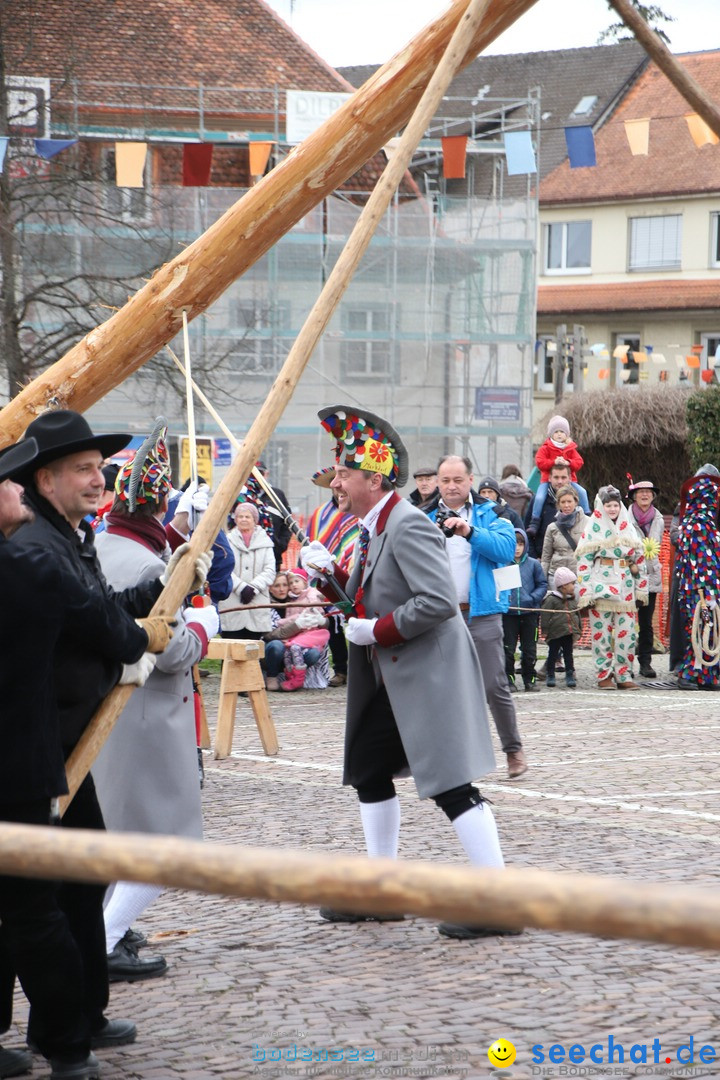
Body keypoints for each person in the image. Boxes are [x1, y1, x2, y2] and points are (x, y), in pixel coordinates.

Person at [11, 408, 206, 1060]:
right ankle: (63, 1033)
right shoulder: (38, 547)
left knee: (85, 874)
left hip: (64, 745)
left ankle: (81, 1016)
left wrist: (165, 584)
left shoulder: (68, 535)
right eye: (85, 470)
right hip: (43, 746)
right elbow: (108, 630)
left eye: (101, 469)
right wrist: (139, 639)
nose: (100, 481)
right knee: (33, 901)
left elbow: (106, 610)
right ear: (47, 479)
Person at [300, 405, 519, 942]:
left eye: (344, 476)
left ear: (373, 479)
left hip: (426, 675)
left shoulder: (406, 523)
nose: (337, 486)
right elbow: (363, 601)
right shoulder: (373, 525)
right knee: (370, 771)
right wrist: (328, 580)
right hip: (396, 677)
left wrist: (376, 632)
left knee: (451, 785)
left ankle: (500, 900)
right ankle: (384, 890)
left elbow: (439, 601)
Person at [93, 422, 217, 982]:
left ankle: (107, 929)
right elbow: (169, 651)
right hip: (147, 715)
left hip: (111, 713)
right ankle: (104, 937)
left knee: (119, 832)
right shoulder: (146, 566)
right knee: (163, 842)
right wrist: (203, 627)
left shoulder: (102, 541)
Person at [427, 456, 528, 780]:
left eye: (458, 479)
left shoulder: (492, 512)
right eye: (445, 480)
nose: (452, 486)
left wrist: (469, 531)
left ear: (471, 480)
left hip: (482, 612)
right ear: (438, 483)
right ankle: (451, 756)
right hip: (441, 616)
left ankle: (513, 750)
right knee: (442, 689)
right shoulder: (424, 516)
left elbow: (505, 548)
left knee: (493, 684)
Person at [576, 485, 648, 690]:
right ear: (602, 506)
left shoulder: (629, 528)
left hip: (625, 586)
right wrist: (586, 592)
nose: (612, 509)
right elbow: (583, 562)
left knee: (627, 633)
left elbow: (639, 560)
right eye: (608, 505)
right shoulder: (592, 530)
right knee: (602, 635)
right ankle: (604, 675)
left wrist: (641, 589)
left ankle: (623, 674)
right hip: (601, 585)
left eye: (615, 505)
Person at [306, 466, 358, 686]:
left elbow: (354, 541)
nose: (338, 488)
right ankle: (340, 669)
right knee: (334, 624)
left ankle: (359, 669)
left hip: (351, 573)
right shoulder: (320, 515)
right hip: (326, 576)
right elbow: (313, 541)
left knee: (357, 620)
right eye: (333, 484)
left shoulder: (356, 511)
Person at [673, 470, 720, 690]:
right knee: (699, 627)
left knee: (708, 629)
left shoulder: (702, 523)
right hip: (698, 588)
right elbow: (699, 562)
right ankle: (689, 674)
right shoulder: (699, 524)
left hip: (703, 586)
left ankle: (707, 675)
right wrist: (705, 588)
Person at [218, 501, 276, 640]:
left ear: (255, 520)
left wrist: (253, 588)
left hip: (257, 602)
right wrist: (242, 588)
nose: (244, 519)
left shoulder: (265, 542)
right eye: (240, 516)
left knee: (253, 650)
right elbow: (223, 569)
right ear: (235, 519)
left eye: (247, 517)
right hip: (232, 601)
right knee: (230, 650)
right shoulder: (227, 541)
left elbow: (270, 570)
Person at [627, 478, 665, 679]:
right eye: (640, 492)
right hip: (630, 575)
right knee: (626, 621)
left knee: (646, 622)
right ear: (634, 495)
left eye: (648, 492)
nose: (644, 495)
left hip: (651, 576)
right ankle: (625, 664)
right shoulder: (626, 517)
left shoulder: (657, 518)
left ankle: (645, 662)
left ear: (653, 496)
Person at [527, 415, 589, 536]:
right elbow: (539, 462)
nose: (559, 434)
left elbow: (579, 462)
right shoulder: (545, 448)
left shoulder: (570, 448)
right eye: (556, 432)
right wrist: (553, 462)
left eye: (562, 431)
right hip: (546, 481)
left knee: (582, 492)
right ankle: (534, 522)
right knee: (539, 498)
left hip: (570, 482)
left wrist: (568, 463)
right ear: (551, 434)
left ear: (567, 434)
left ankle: (587, 516)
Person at [503, 528, 547, 692]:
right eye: (514, 544)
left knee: (529, 650)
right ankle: (509, 680)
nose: (517, 548)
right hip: (509, 614)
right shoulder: (503, 563)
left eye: (520, 544)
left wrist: (533, 599)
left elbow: (542, 584)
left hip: (530, 614)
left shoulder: (533, 564)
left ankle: (530, 679)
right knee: (508, 649)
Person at [275, 568, 330, 691]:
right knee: (288, 652)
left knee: (295, 648)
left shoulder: (310, 594)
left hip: (310, 633)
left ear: (305, 582)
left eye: (297, 581)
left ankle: (298, 679)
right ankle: (290, 676)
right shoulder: (291, 599)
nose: (293, 585)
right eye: (291, 583)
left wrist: (312, 598)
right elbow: (291, 619)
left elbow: (315, 603)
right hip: (297, 634)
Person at [525, 459, 578, 559]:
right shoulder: (538, 501)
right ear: (549, 478)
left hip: (571, 560)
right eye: (556, 477)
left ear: (570, 478)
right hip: (543, 559)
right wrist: (534, 558)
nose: (560, 481)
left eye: (563, 477)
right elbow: (527, 531)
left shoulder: (578, 500)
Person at [540, 566, 583, 688]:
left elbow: (577, 615)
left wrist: (578, 628)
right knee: (553, 653)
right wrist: (545, 630)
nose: (574, 586)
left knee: (568, 654)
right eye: (572, 583)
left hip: (568, 632)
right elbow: (545, 614)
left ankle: (569, 673)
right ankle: (550, 674)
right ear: (563, 585)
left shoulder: (573, 600)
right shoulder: (552, 599)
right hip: (555, 632)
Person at [540, 484, 588, 591]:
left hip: (579, 576)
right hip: (556, 578)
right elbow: (546, 558)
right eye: (563, 502)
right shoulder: (552, 528)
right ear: (558, 504)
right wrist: (543, 581)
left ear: (576, 502)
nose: (566, 505)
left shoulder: (588, 523)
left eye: (569, 501)